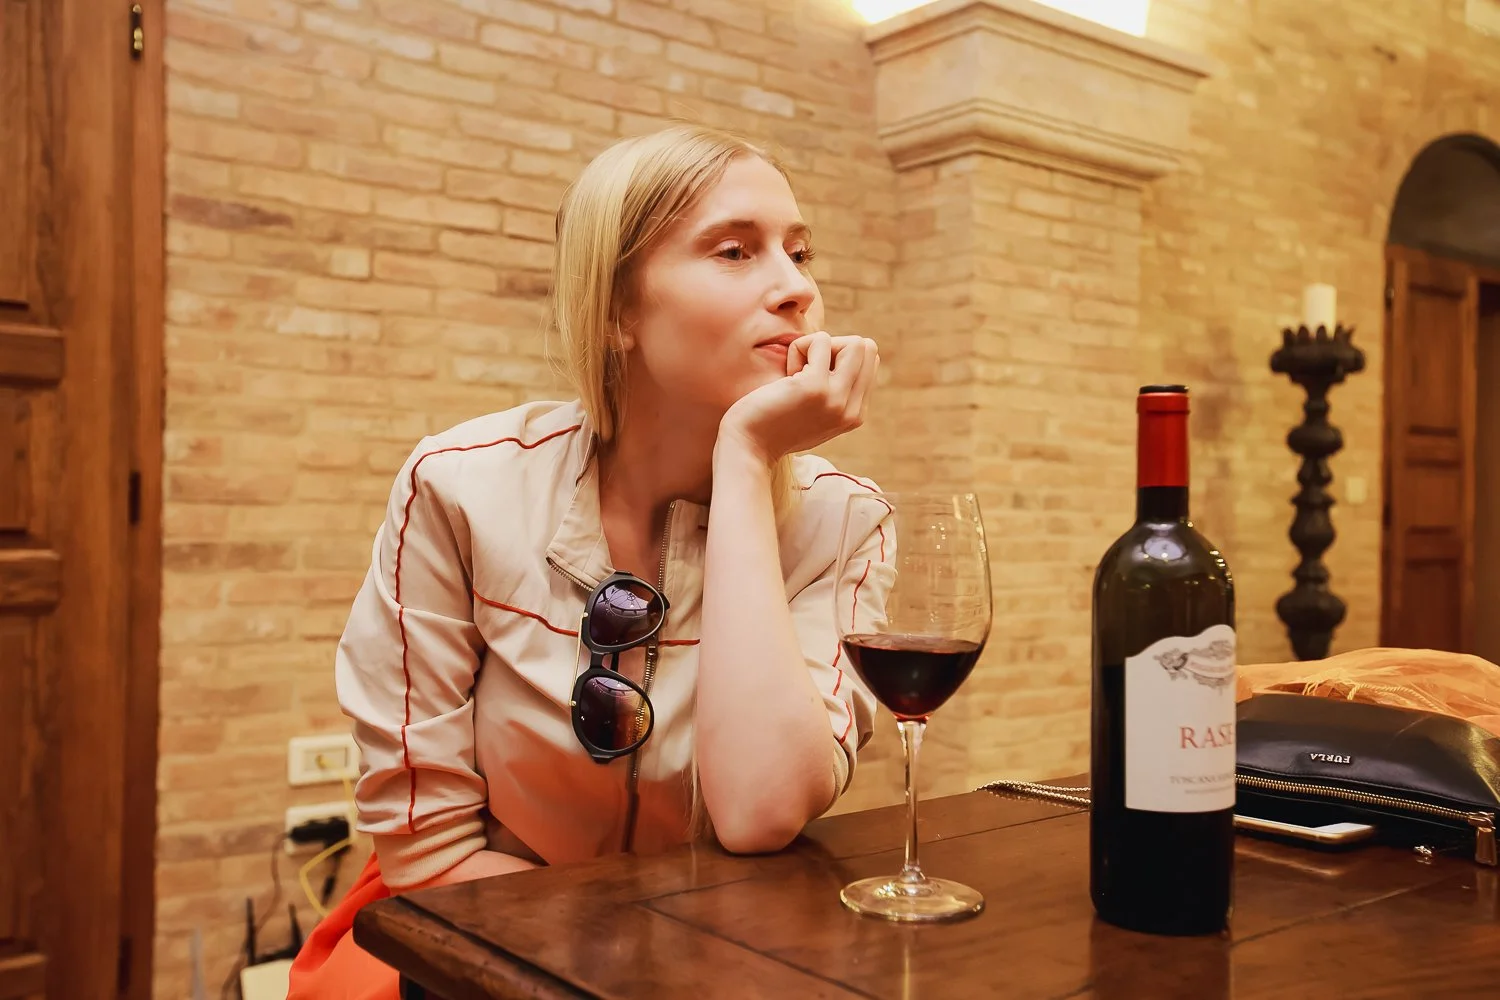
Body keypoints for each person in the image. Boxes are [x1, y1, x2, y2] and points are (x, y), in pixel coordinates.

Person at [286, 123, 888, 998]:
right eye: (734, 251)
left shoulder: (844, 521)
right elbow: (430, 851)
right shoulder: (460, 489)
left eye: (799, 254)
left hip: (722, 962)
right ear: (616, 312)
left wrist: (746, 460)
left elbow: (761, 813)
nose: (797, 290)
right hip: (481, 947)